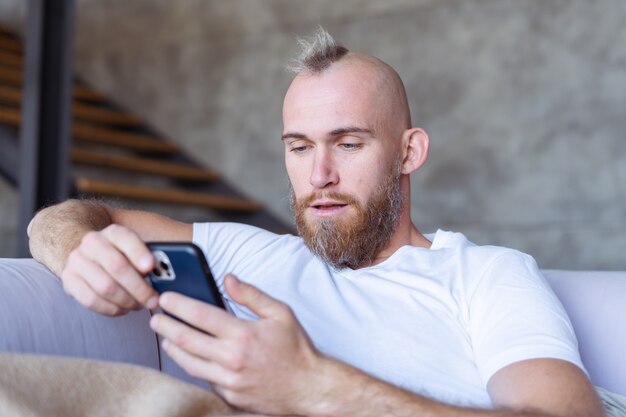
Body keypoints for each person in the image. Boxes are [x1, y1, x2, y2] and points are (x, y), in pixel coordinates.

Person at [28, 28, 604, 417]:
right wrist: (78, 246)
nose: (319, 174)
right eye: (299, 147)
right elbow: (68, 217)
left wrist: (314, 386)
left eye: (348, 143)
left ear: (409, 152)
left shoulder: (486, 275)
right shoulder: (250, 256)